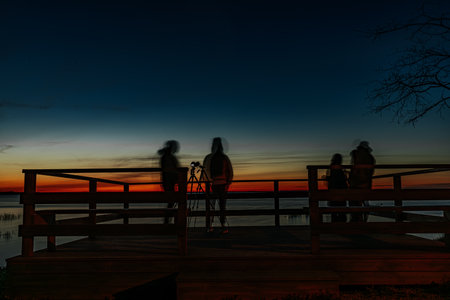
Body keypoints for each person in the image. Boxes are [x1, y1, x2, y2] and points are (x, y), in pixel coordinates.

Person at [203, 137, 233, 233]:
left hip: (213, 185)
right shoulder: (225, 158)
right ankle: (223, 225)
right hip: (223, 184)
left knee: (211, 206)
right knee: (222, 206)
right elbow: (230, 172)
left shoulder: (208, 158)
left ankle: (209, 226)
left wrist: (208, 183)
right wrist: (228, 183)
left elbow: (205, 172)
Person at [348, 141, 376, 222]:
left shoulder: (355, 156)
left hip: (354, 184)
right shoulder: (370, 157)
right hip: (365, 184)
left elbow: (353, 170)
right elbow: (371, 172)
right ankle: (362, 221)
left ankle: (355, 220)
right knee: (363, 203)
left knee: (354, 203)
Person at [158, 140, 180, 224]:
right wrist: (177, 176)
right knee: (171, 201)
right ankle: (168, 221)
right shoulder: (168, 157)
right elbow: (170, 169)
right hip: (169, 182)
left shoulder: (165, 156)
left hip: (168, 181)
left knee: (171, 201)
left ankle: (168, 220)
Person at [326, 153, 348, 222]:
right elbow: (342, 179)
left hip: (333, 191)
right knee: (341, 209)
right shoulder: (340, 168)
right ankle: (342, 225)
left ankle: (335, 224)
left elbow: (330, 180)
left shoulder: (331, 168)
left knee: (334, 210)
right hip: (341, 191)